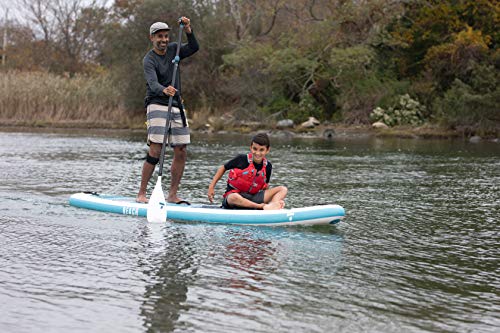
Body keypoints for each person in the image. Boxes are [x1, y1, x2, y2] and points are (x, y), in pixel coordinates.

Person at [136, 17, 199, 204]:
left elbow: (194, 47)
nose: (163, 40)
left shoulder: (174, 49)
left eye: (165, 36)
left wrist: (188, 29)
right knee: (156, 148)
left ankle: (172, 195)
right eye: (159, 37)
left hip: (177, 104)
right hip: (156, 103)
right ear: (152, 38)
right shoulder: (149, 59)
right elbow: (152, 82)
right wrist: (164, 89)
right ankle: (141, 194)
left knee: (181, 149)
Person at [207, 133, 288, 210]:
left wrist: (270, 199)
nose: (257, 153)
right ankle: (261, 207)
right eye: (255, 149)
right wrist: (211, 187)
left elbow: (265, 186)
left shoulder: (268, 166)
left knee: (283, 189)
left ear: (267, 150)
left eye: (261, 150)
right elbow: (223, 168)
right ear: (251, 147)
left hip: (253, 197)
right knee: (233, 197)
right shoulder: (241, 159)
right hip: (235, 198)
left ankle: (272, 206)